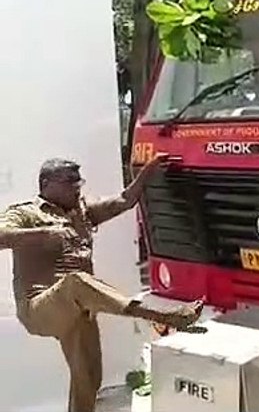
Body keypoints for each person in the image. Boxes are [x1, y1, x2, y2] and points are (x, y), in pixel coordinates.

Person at [0, 155, 204, 412]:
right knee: (75, 281)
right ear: (46, 184)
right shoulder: (25, 213)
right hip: (40, 307)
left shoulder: (81, 210)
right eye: (69, 182)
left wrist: (147, 170)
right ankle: (162, 316)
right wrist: (42, 234)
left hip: (79, 309)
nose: (77, 187)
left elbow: (124, 200)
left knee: (89, 378)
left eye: (79, 181)